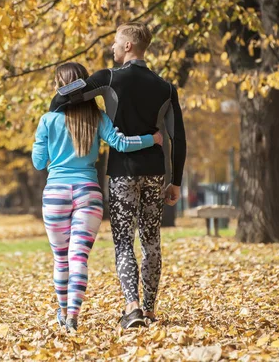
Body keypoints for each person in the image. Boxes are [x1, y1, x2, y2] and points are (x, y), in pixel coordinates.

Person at [50, 22, 187, 329]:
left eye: (114, 43)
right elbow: (178, 138)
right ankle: (150, 310)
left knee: (124, 242)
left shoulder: (108, 78)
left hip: (122, 173)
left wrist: (55, 114)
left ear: (127, 46)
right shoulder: (166, 88)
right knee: (151, 240)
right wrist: (175, 180)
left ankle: (132, 307)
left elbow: (64, 95)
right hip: (154, 172)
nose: (111, 48)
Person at [32, 62, 163, 333]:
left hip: (56, 193)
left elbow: (38, 162)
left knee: (61, 258)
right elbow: (122, 144)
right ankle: (73, 318)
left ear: (60, 86)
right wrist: (153, 139)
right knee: (78, 258)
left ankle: (63, 312)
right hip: (88, 194)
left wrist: (43, 141)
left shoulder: (47, 120)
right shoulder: (98, 117)